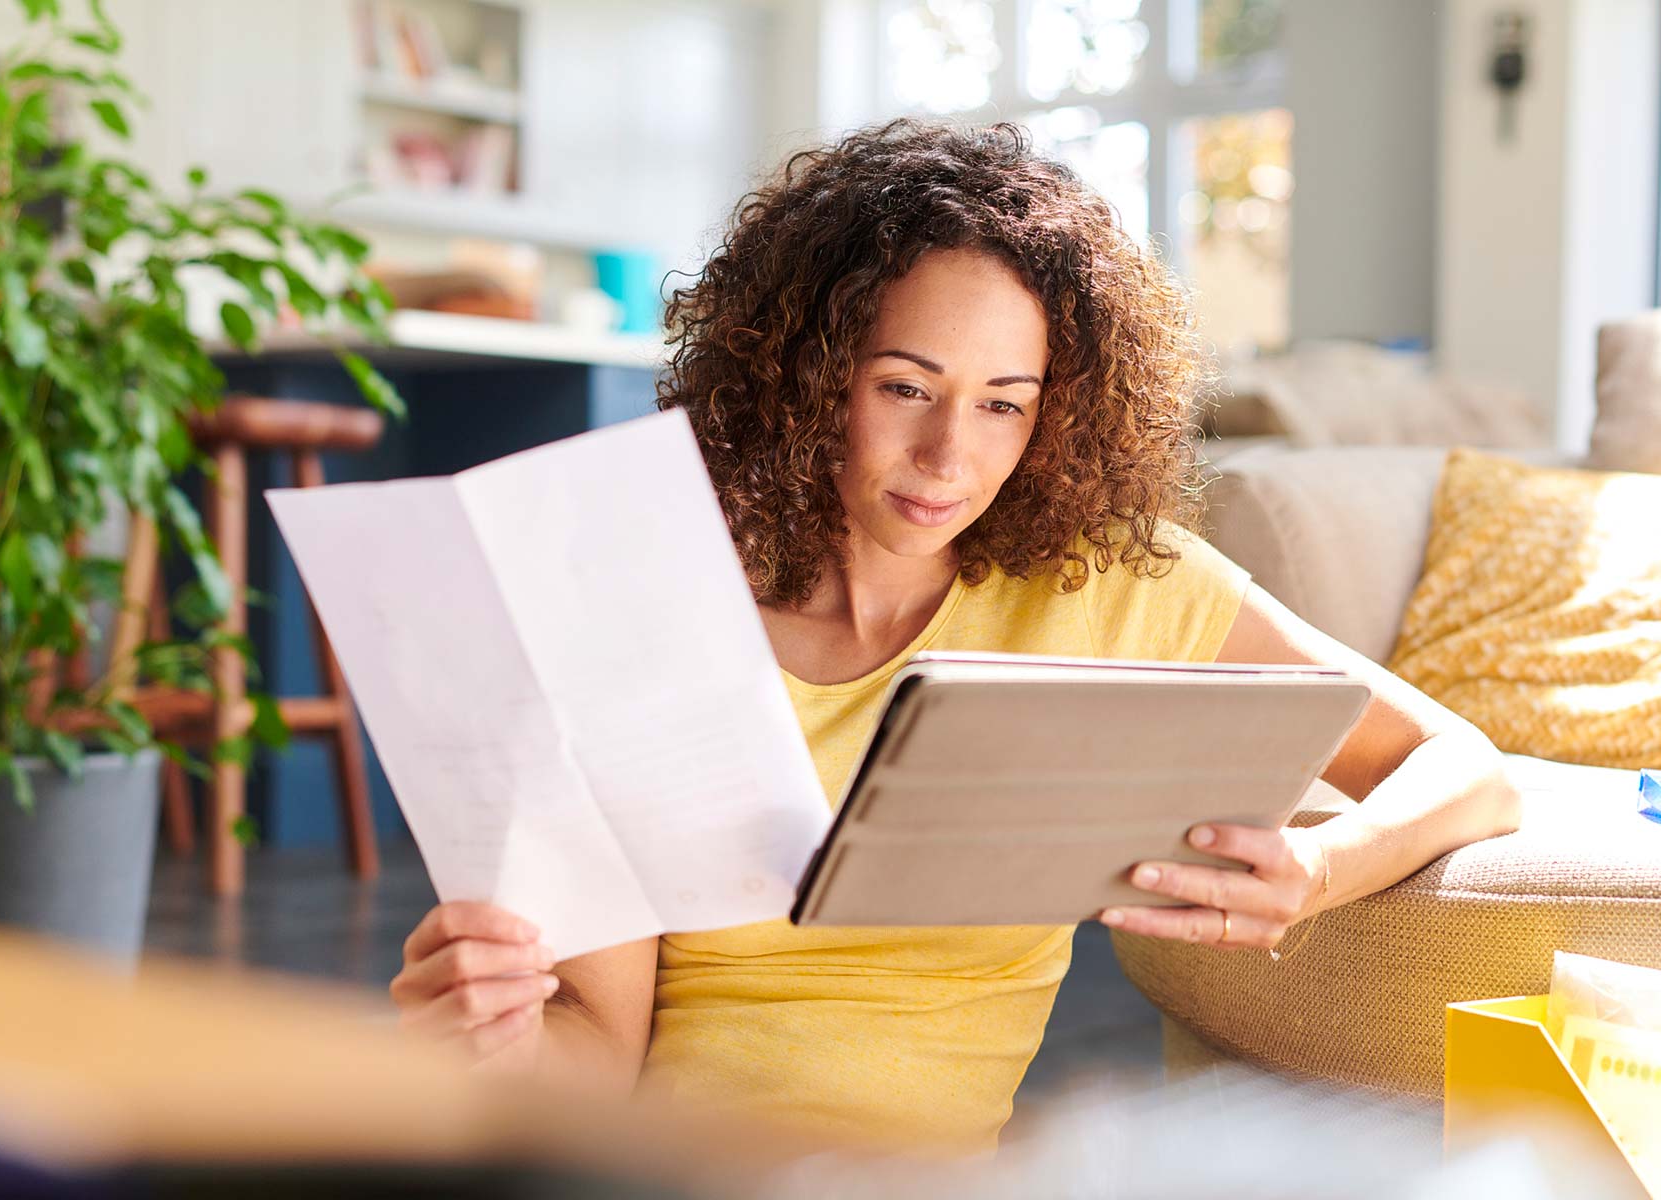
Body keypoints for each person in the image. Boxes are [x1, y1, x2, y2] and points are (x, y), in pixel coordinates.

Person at [389, 120, 1521, 1156]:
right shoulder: (652, 607)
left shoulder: (1112, 583)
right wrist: (495, 1038)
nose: (948, 457)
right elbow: (596, 1053)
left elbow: (1464, 770)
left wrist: (1319, 870)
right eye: (904, 387)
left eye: (1002, 403)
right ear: (806, 373)